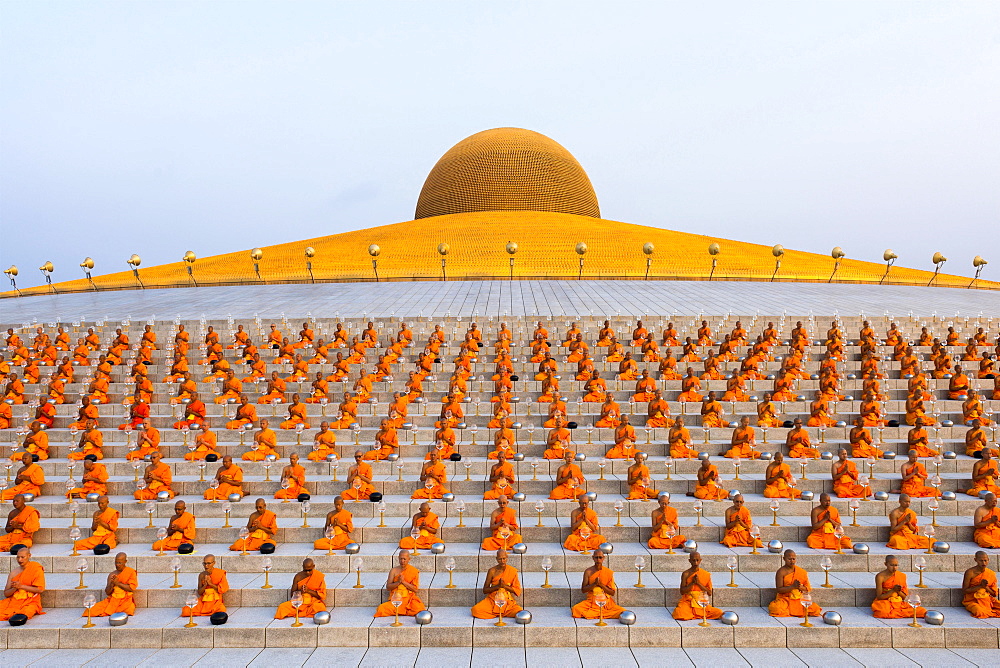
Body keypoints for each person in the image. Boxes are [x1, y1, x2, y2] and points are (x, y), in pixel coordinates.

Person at [571, 549, 625, 620]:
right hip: (592, 601)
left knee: (622, 611)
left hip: (606, 602)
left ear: (603, 558)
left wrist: (601, 585)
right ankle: (603, 614)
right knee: (576, 609)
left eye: (600, 557)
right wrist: (594, 584)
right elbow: (583, 590)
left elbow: (612, 592)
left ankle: (598, 614)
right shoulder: (588, 572)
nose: (598, 559)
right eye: (596, 557)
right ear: (593, 558)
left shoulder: (608, 572)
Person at [769, 549, 822, 618]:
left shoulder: (801, 571)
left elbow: (807, 588)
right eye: (789, 559)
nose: (792, 561)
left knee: (816, 609)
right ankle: (794, 611)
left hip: (798, 599)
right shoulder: (781, 572)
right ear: (784, 559)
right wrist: (793, 587)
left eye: (793, 559)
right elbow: (779, 589)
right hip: (785, 598)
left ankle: (793, 611)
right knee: (775, 608)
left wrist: (799, 587)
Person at [471, 549, 523, 619]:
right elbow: (485, 590)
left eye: (504, 558)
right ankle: (499, 613)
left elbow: (516, 590)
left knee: (520, 612)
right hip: (493, 599)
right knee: (475, 610)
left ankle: (499, 612)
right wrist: (498, 587)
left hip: (506, 601)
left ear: (507, 558)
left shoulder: (512, 571)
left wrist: (504, 586)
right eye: (500, 559)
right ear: (496, 559)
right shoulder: (492, 571)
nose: (502, 561)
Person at [673, 551, 723, 621]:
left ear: (700, 560)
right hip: (688, 601)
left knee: (719, 612)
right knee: (679, 613)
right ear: (689, 561)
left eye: (697, 560)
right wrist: (692, 583)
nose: (695, 563)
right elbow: (682, 591)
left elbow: (709, 593)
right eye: (693, 560)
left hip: (701, 601)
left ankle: (695, 615)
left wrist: (698, 583)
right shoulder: (686, 574)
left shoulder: (706, 574)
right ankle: (696, 614)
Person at [374, 550, 425, 618]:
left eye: (404, 559)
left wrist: (403, 582)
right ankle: (402, 611)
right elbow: (388, 587)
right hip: (396, 598)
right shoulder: (394, 570)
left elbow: (415, 589)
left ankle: (399, 611)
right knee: (381, 609)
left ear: (409, 559)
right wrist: (398, 582)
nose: (402, 561)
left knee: (419, 608)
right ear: (398, 558)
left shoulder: (414, 571)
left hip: (408, 600)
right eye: (401, 559)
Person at [872, 555, 926, 619]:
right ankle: (900, 613)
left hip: (898, 602)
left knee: (922, 611)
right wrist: (892, 591)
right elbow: (879, 597)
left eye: (896, 565)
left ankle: (895, 613)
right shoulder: (880, 576)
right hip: (885, 601)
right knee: (883, 612)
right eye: (891, 565)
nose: (894, 568)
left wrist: (898, 591)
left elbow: (904, 597)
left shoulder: (901, 576)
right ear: (886, 564)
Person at [84, 552, 137, 617]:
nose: (117, 565)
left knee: (129, 609)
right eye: (116, 562)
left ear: (125, 561)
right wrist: (111, 584)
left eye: (120, 563)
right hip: (113, 600)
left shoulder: (130, 572)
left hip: (125, 600)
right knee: (90, 611)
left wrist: (117, 583)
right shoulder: (112, 574)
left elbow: (131, 588)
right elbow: (108, 592)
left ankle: (113, 611)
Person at [0, 548, 44, 621]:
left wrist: (21, 586)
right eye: (18, 557)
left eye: (22, 557)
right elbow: (6, 593)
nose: (20, 560)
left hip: (30, 601)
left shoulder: (36, 568)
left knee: (25, 613)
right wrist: (15, 588)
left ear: (29, 556)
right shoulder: (13, 573)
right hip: (14, 601)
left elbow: (40, 589)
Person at [962, 551, 1000, 618]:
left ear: (988, 560)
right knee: (980, 612)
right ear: (975, 560)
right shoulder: (970, 572)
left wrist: (985, 587)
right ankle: (989, 612)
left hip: (987, 600)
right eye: (981, 561)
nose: (984, 563)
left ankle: (989, 610)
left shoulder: (990, 573)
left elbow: (994, 594)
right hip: (972, 601)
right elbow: (965, 590)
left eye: (985, 560)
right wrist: (980, 586)